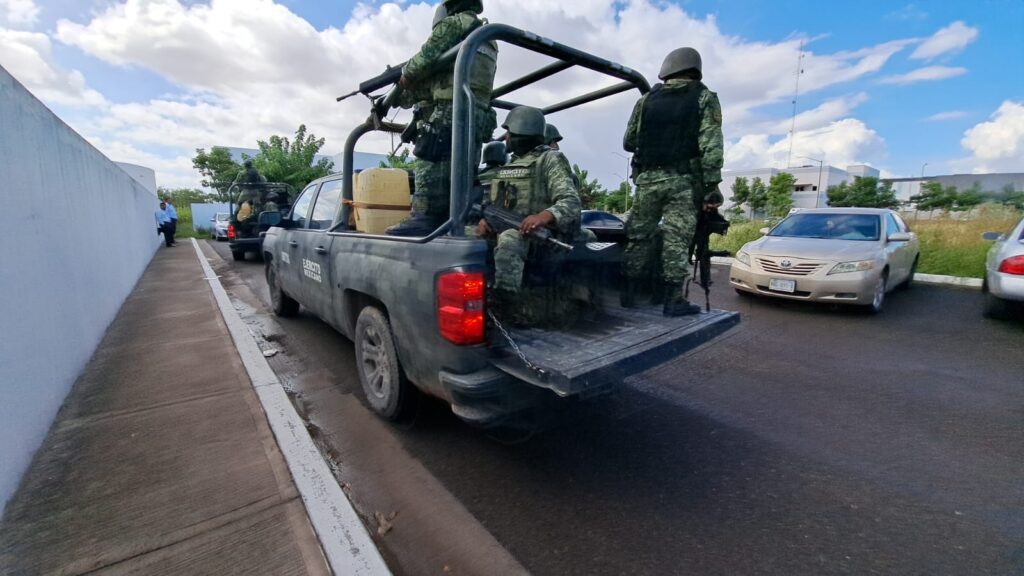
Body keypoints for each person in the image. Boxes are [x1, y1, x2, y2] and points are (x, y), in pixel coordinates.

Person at [621, 47, 724, 316]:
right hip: (682, 181)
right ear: (695, 70)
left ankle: (628, 293)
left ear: (667, 69)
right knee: (676, 241)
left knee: (638, 236)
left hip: (647, 181)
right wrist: (712, 186)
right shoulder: (704, 97)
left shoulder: (646, 100)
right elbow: (711, 146)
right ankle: (672, 300)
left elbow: (629, 142)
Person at [386, 0, 499, 236]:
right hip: (476, 115)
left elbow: (421, 62)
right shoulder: (487, 37)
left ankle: (423, 217)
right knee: (460, 169)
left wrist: (403, 79)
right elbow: (435, 82)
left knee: (429, 159)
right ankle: (456, 217)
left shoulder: (454, 25)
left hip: (451, 111)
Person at [476, 106, 581, 324]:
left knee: (509, 239)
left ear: (523, 135)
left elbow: (570, 202)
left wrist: (543, 216)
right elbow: (500, 204)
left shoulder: (550, 159)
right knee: (462, 234)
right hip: (511, 228)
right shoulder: (510, 164)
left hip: (544, 237)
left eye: (511, 135)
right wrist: (486, 221)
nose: (507, 140)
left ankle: (504, 305)